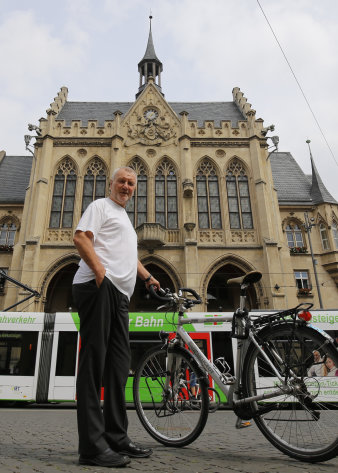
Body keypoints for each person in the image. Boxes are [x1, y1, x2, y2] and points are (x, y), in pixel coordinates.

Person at [72, 166, 160, 468]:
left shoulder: (122, 216)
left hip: (120, 296)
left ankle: (115, 437)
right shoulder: (100, 205)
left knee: (119, 366)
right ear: (112, 183)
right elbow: (81, 238)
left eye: (131, 183)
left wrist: (147, 276)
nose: (126, 186)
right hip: (97, 288)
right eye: (122, 181)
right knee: (93, 365)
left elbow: (125, 253)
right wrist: (100, 274)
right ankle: (92, 448)